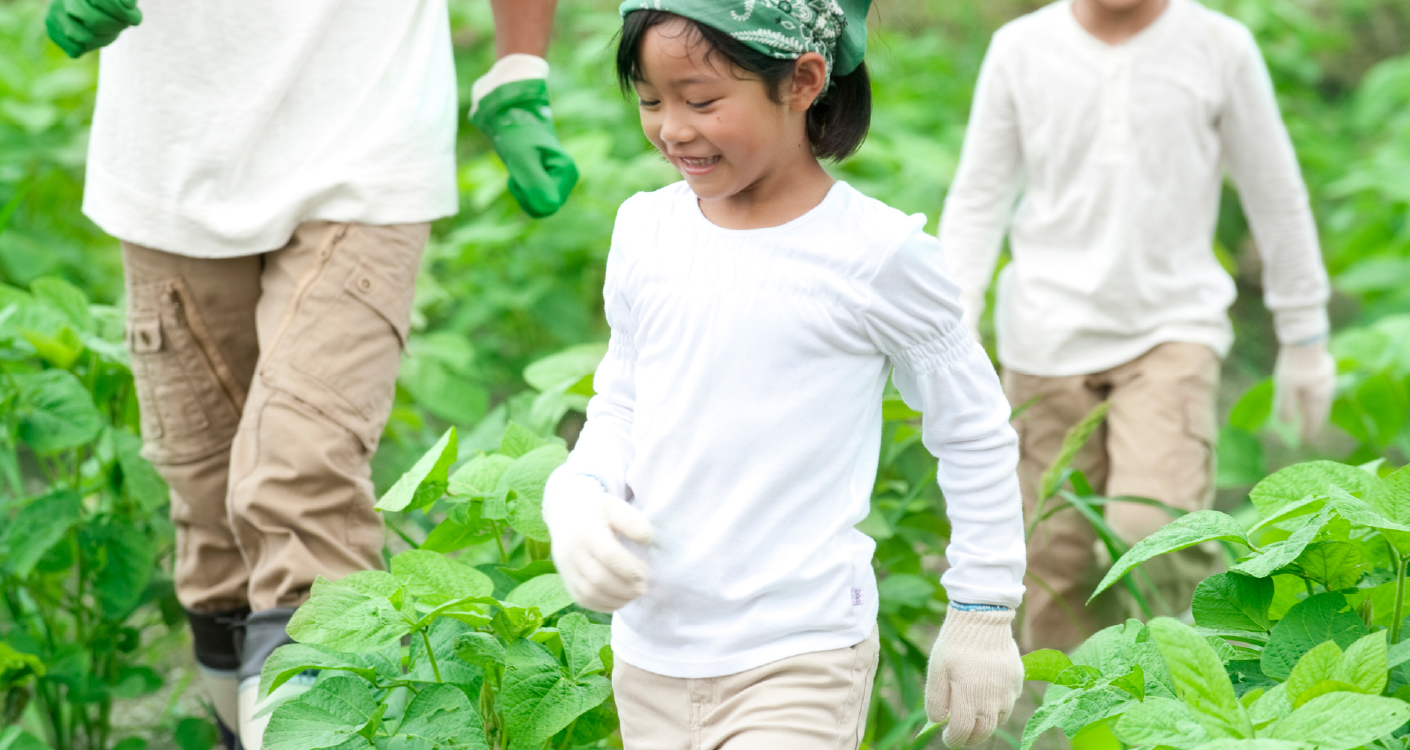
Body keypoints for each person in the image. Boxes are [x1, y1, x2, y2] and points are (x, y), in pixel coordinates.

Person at [43, 0, 577, 747]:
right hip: (171, 141)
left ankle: (317, 721)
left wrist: (518, 68)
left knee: (302, 477)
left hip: (369, 127)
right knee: (209, 513)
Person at [541, 3, 1028, 747]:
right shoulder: (647, 231)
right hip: (651, 652)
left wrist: (982, 609)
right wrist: (577, 495)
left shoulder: (877, 255)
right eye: (650, 100)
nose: (671, 127)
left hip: (799, 653)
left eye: (702, 101)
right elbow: (625, 401)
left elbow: (974, 432)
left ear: (802, 81)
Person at [938, 0, 1335, 653]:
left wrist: (1305, 332)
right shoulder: (1021, 50)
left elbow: (1275, 189)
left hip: (1170, 330)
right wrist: (951, 324)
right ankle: (1078, 719)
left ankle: (1180, 703)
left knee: (1156, 535)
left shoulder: (1218, 47)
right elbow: (979, 196)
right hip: (1044, 335)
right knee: (1051, 559)